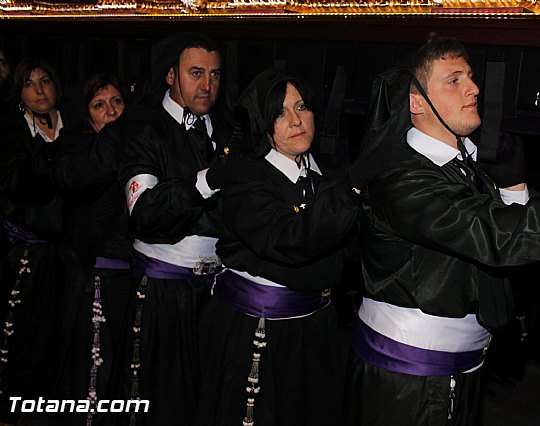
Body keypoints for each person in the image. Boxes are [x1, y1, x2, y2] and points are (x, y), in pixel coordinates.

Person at [345, 33, 540, 426]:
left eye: (470, 76)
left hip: (460, 368)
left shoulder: (463, 166)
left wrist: (513, 185)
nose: (474, 87)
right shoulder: (401, 179)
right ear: (416, 102)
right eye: (454, 80)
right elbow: (493, 233)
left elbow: (501, 251)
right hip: (409, 379)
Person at [196, 68, 384, 426]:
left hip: (316, 333)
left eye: (302, 106)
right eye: (280, 113)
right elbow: (291, 241)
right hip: (257, 334)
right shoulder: (247, 180)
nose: (296, 120)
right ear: (262, 124)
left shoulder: (325, 179)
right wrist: (353, 188)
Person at [113, 32, 238, 425]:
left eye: (215, 75)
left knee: (209, 398)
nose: (207, 86)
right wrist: (207, 181)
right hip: (164, 292)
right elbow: (146, 215)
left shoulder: (230, 127)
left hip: (219, 290)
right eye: (196, 73)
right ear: (170, 74)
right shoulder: (142, 128)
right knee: (161, 400)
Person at [0, 57, 80, 426]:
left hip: (68, 252)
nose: (39, 90)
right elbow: (22, 188)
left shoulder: (76, 127)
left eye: (45, 81)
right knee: (22, 335)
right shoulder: (12, 131)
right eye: (30, 84)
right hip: (25, 250)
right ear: (19, 93)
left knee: (61, 335)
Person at [52, 73, 134, 426]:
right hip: (95, 276)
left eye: (117, 101)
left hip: (128, 276)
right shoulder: (79, 151)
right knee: (95, 369)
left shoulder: (141, 146)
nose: (111, 111)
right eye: (100, 105)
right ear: (87, 115)